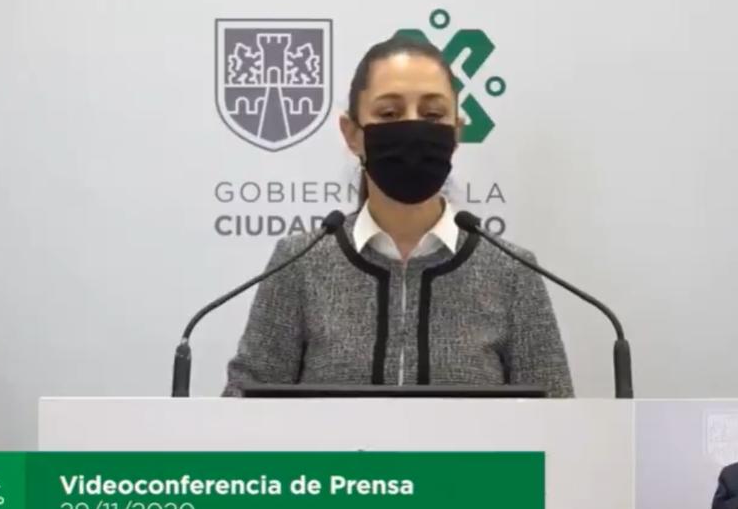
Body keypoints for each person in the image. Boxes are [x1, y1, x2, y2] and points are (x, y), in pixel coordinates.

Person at [222, 36, 573, 397]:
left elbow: (556, 414)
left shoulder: (512, 273)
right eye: (389, 114)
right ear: (352, 134)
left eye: (432, 115)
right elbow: (241, 407)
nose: (412, 127)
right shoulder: (299, 264)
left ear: (455, 132)